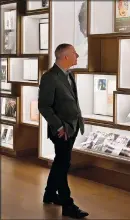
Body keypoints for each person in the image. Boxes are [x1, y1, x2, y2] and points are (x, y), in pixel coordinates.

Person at [38, 43, 88, 219]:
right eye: (75, 53)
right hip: (61, 130)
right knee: (63, 164)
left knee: (60, 162)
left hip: (72, 127)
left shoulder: (69, 74)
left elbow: (71, 101)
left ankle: (50, 194)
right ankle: (68, 204)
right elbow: (44, 106)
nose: (77, 56)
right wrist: (59, 126)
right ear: (65, 56)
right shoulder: (49, 77)